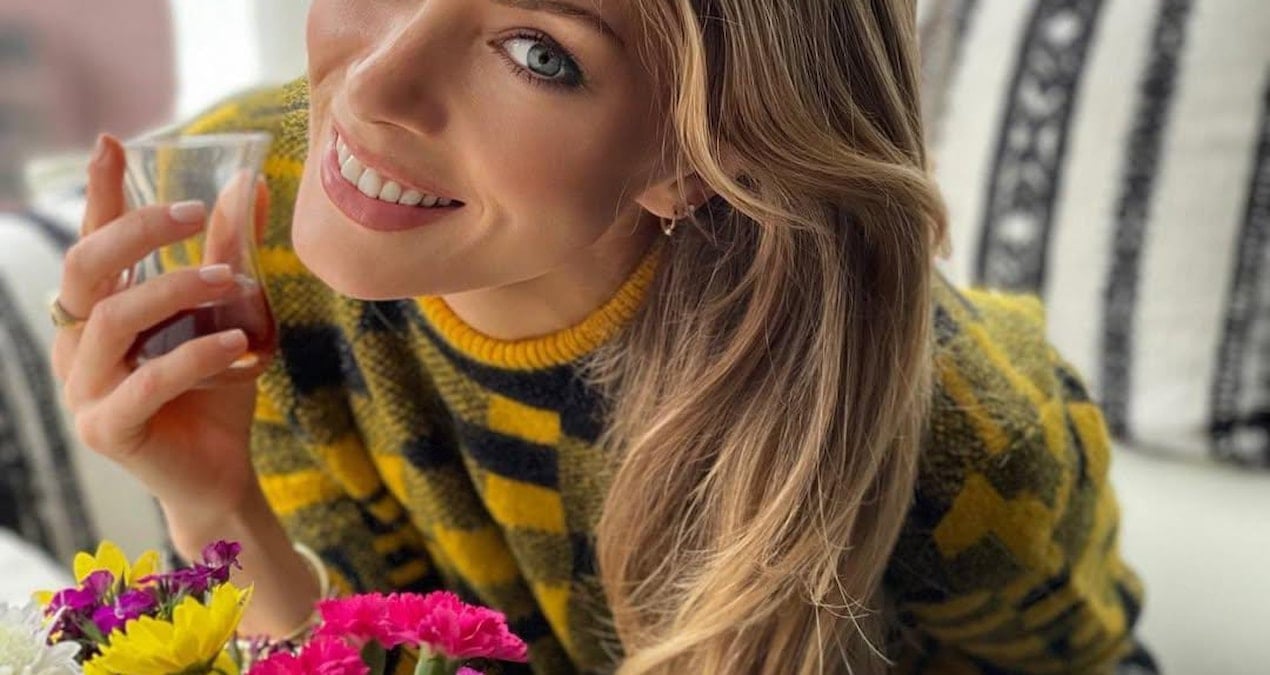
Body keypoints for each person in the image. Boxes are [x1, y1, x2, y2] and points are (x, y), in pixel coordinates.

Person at [47, 1, 1151, 673]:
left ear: (701, 155)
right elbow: (357, 659)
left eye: (537, 52)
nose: (372, 87)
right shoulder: (253, 226)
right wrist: (214, 503)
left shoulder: (959, 441)